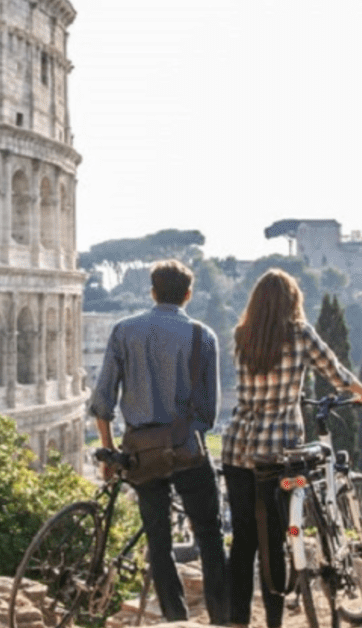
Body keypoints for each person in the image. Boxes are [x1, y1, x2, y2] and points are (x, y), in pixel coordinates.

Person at [220, 269, 362, 628]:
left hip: (237, 449)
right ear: (293, 301)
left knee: (243, 539)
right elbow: (336, 373)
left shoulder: (241, 335)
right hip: (279, 453)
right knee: (273, 538)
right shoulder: (300, 334)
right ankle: (274, 621)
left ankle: (237, 620)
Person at [89, 259, 229, 625]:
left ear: (152, 292)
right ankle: (223, 618)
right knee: (210, 535)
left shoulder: (123, 331)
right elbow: (208, 413)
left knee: (159, 542)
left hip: (140, 452)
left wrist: (110, 453)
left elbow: (103, 400)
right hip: (186, 448)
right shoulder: (204, 337)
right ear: (188, 294)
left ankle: (175, 618)